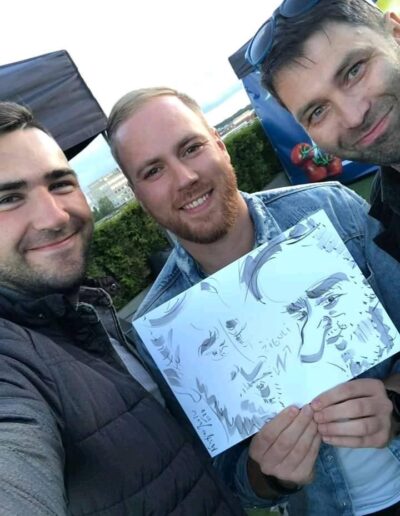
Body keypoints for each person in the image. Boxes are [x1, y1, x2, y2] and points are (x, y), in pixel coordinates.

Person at [107, 86, 400, 515]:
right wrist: (270, 475)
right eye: (153, 171)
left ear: (220, 146)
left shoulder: (330, 209)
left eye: (191, 148)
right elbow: (230, 477)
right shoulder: (163, 328)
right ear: (138, 195)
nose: (184, 178)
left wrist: (394, 401)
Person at [0, 101, 246, 515]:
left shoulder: (93, 318)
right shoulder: (11, 370)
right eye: (7, 198)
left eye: (60, 183)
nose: (54, 216)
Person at [245, 0, 400, 263]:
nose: (353, 116)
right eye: (317, 111)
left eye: (354, 71)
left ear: (396, 34)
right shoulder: (384, 212)